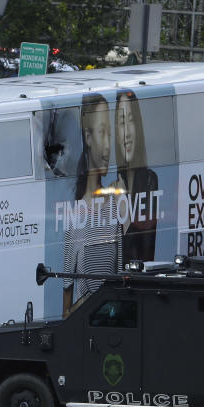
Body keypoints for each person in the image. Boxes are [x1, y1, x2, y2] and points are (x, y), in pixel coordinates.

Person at [63, 93, 123, 316]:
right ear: (88, 137)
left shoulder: (115, 206)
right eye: (101, 133)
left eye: (110, 134)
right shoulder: (74, 215)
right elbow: (66, 302)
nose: (108, 146)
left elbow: (120, 276)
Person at [114, 90, 159, 262]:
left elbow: (146, 253)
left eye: (131, 121)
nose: (126, 134)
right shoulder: (113, 188)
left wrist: (125, 213)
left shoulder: (150, 181)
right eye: (121, 123)